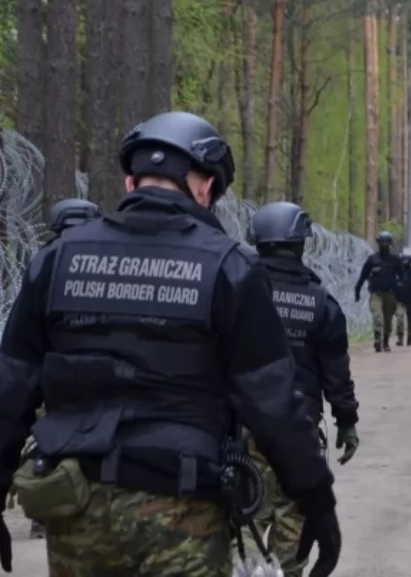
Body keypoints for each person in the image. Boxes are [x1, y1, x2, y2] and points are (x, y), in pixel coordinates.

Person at [0, 111, 340, 576]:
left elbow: (12, 387)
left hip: (76, 508)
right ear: (203, 188)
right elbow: (273, 401)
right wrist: (315, 499)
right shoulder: (229, 267)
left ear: (130, 182)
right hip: (183, 508)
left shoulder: (58, 259)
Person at [247, 201, 360, 577]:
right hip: (298, 432)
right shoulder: (321, 303)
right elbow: (336, 375)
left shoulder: (235, 289)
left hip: (239, 431)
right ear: (302, 243)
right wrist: (346, 422)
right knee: (293, 528)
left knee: (238, 522)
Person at [6, 198, 103, 542]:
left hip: (51, 375)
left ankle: (44, 514)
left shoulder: (47, 262)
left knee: (49, 442)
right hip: (94, 379)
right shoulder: (103, 261)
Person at [354, 231, 405, 352]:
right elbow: (363, 275)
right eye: (382, 242)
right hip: (376, 293)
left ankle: (386, 341)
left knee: (388, 319)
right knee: (377, 316)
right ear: (378, 243)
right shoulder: (372, 260)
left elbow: (403, 276)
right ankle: (377, 339)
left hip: (391, 293)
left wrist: (401, 289)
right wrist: (357, 290)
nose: (384, 245)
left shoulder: (395, 259)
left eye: (387, 242)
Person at [393, 253, 411, 347]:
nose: (405, 263)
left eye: (407, 261)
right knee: (400, 318)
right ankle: (400, 338)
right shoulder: (396, 274)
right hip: (399, 299)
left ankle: (410, 337)